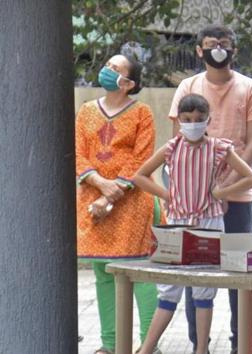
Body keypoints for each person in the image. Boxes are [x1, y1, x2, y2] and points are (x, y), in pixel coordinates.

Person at [167, 25, 252, 353]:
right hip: (195, 203)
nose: (218, 49)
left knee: (240, 271)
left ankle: (243, 345)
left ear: (233, 50)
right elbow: (177, 141)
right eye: (211, 45)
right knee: (199, 274)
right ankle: (200, 345)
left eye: (224, 44)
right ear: (199, 50)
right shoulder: (188, 86)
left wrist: (226, 181)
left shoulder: (249, 87)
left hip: (238, 194)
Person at [133, 93, 252, 354]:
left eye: (199, 119)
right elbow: (140, 176)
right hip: (176, 224)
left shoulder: (219, 148)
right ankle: (146, 349)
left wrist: (222, 192)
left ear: (208, 120)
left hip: (209, 223)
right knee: (168, 291)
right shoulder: (170, 147)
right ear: (179, 119)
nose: (193, 124)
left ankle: (201, 349)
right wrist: (168, 195)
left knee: (204, 289)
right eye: (187, 119)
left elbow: (251, 178)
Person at [75, 54, 159, 354]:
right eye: (108, 66)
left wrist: (112, 191)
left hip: (132, 201)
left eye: (115, 69)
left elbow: (142, 158)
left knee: (140, 273)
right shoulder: (85, 111)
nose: (107, 71)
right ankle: (110, 346)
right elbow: (79, 153)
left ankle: (150, 346)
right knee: (103, 273)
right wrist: (100, 185)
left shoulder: (142, 113)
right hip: (91, 200)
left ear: (128, 83)